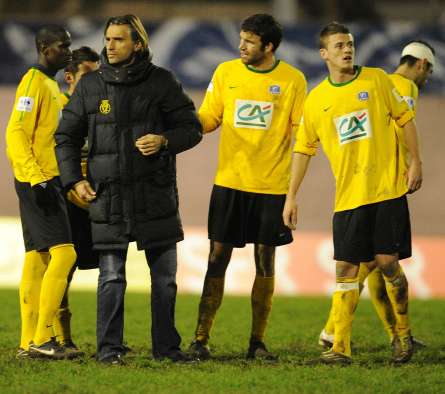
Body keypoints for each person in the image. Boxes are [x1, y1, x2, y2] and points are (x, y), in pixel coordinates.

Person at [55, 14, 202, 365]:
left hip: (156, 195)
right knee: (111, 277)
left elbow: (191, 128)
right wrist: (74, 179)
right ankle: (109, 351)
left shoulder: (162, 82)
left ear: (138, 44)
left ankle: (167, 349)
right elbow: (65, 138)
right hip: (109, 198)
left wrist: (165, 140)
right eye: (107, 38)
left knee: (165, 280)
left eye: (118, 39)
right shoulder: (90, 86)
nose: (110, 45)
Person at [283, 22, 423, 364]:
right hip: (348, 197)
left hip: (386, 190)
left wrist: (415, 161)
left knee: (389, 264)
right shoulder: (317, 100)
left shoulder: (376, 80)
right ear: (324, 54)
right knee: (345, 269)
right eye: (339, 45)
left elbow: (404, 119)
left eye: (350, 44)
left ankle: (402, 336)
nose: (347, 49)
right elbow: (303, 150)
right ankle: (340, 347)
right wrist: (290, 196)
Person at [188, 13, 307, 361]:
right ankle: (200, 339)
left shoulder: (293, 80)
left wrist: (292, 195)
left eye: (250, 41)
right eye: (241, 38)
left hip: (271, 187)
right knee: (217, 258)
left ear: (268, 46)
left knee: (265, 262)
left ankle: (257, 342)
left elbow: (302, 135)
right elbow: (209, 119)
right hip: (230, 183)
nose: (241, 45)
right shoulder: (226, 73)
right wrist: (180, 120)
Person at [318, 40, 435, 351]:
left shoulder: (378, 79)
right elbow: (401, 127)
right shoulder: (406, 88)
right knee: (377, 261)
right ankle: (334, 328)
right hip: (385, 185)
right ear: (422, 65)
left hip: (362, 183)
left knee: (372, 262)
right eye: (429, 71)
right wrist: (411, 164)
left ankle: (392, 334)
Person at [5, 25, 77, 359]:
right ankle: (42, 339)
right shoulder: (33, 83)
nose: (68, 51)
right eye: (63, 46)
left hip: (43, 179)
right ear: (44, 46)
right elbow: (16, 132)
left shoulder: (49, 85)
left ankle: (25, 343)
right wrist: (37, 179)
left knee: (37, 260)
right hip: (40, 181)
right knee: (66, 255)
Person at [52, 46, 101, 357]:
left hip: (98, 199)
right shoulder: (57, 108)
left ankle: (110, 338)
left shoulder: (103, 108)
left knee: (111, 267)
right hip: (66, 199)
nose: (97, 79)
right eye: (89, 74)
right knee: (63, 268)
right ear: (70, 77)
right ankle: (61, 338)